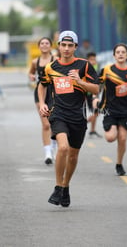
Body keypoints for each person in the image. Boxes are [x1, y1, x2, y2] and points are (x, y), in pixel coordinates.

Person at [38, 30, 99, 207]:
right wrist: (42, 103)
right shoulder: (51, 67)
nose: (66, 48)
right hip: (58, 114)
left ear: (75, 47)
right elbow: (42, 86)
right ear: (59, 46)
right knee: (62, 148)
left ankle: (65, 187)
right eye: (63, 45)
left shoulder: (84, 65)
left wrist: (80, 82)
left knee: (72, 156)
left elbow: (96, 89)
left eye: (70, 45)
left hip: (78, 117)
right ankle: (58, 187)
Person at [95, 43, 127, 176]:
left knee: (122, 138)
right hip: (110, 109)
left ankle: (119, 164)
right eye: (118, 52)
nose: (120, 54)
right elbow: (96, 85)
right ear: (114, 55)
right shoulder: (107, 70)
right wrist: (94, 98)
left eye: (123, 52)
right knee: (110, 137)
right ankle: (111, 128)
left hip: (126, 110)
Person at [28, 37, 57, 165]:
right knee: (45, 124)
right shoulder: (35, 61)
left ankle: (54, 146)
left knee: (54, 123)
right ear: (39, 46)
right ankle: (48, 153)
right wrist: (31, 76)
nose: (44, 45)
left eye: (47, 43)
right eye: (42, 43)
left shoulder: (55, 60)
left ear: (50, 46)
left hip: (54, 92)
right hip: (40, 93)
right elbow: (30, 73)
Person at [86, 52, 101, 138]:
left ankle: (92, 130)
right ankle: (84, 124)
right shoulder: (85, 68)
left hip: (96, 93)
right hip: (89, 94)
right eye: (91, 59)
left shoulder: (98, 68)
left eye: (94, 59)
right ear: (87, 60)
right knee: (96, 111)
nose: (92, 61)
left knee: (96, 112)